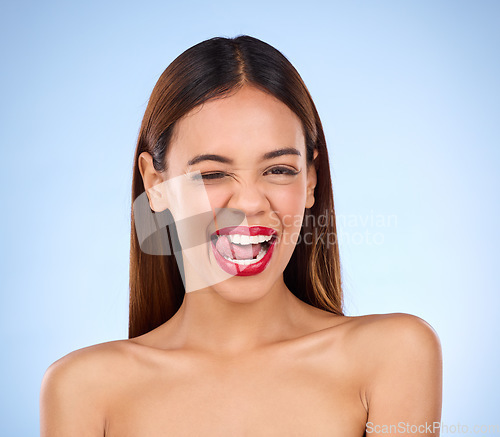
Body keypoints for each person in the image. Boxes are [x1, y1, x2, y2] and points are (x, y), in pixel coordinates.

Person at [40, 35, 442, 436]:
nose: (250, 203)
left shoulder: (395, 355)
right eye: (212, 174)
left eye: (279, 169)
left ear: (310, 181)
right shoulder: (81, 389)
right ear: (155, 185)